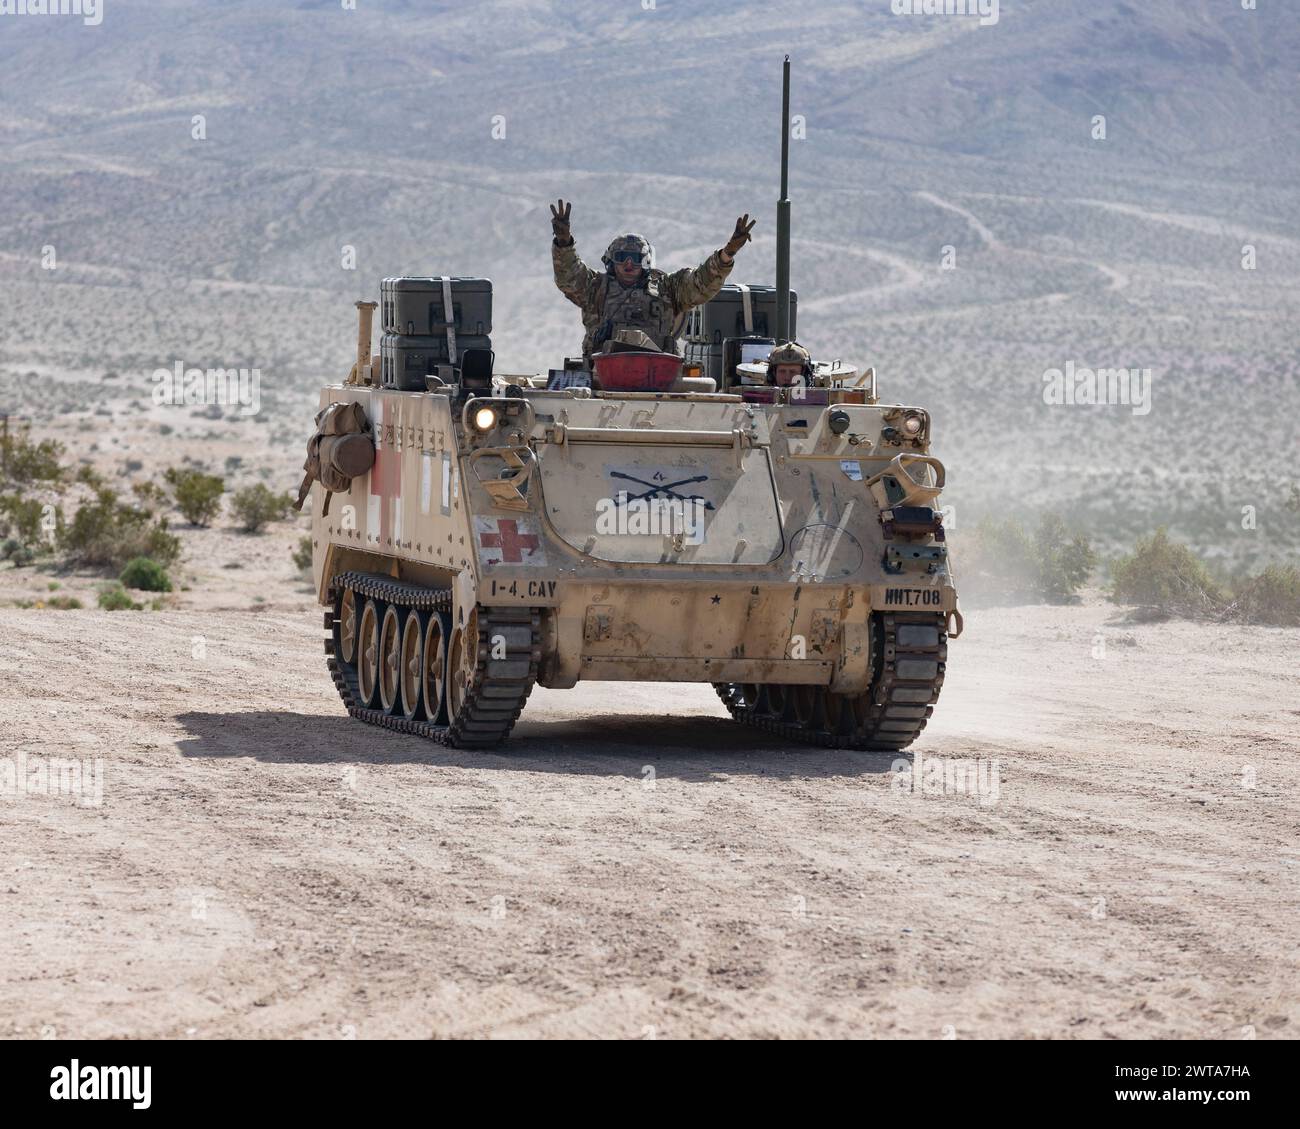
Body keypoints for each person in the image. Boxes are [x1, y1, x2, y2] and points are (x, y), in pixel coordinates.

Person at [549, 199, 755, 365]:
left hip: (658, 375)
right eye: (622, 257)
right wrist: (564, 242)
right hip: (602, 374)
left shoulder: (668, 288)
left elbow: (700, 283)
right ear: (611, 261)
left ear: (646, 261)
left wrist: (727, 254)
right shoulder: (595, 287)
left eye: (636, 258)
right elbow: (569, 277)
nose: (629, 264)